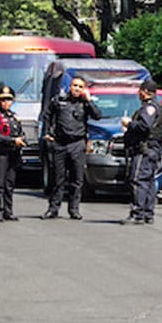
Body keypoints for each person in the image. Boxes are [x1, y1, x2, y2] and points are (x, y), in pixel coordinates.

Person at [42, 75, 102, 220]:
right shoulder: (59, 100)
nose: (77, 89)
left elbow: (98, 116)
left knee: (77, 179)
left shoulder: (85, 103)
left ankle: (74, 209)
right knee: (58, 178)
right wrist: (48, 133)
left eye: (80, 87)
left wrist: (88, 100)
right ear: (70, 86)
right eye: (75, 85)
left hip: (77, 143)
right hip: (60, 143)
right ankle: (53, 209)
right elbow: (47, 115)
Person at [121, 80, 162, 224]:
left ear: (146, 91)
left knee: (138, 180)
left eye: (140, 90)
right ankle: (147, 213)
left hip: (144, 149)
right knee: (148, 181)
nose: (138, 93)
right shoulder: (156, 107)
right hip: (152, 149)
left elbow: (144, 126)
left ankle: (137, 213)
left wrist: (129, 124)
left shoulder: (150, 107)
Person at [0, 86, 25, 221]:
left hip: (14, 154)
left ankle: (8, 211)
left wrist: (22, 140)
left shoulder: (14, 117)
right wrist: (13, 140)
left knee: (10, 184)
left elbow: (21, 133)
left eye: (8, 100)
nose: (6, 103)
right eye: (3, 100)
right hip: (2, 154)